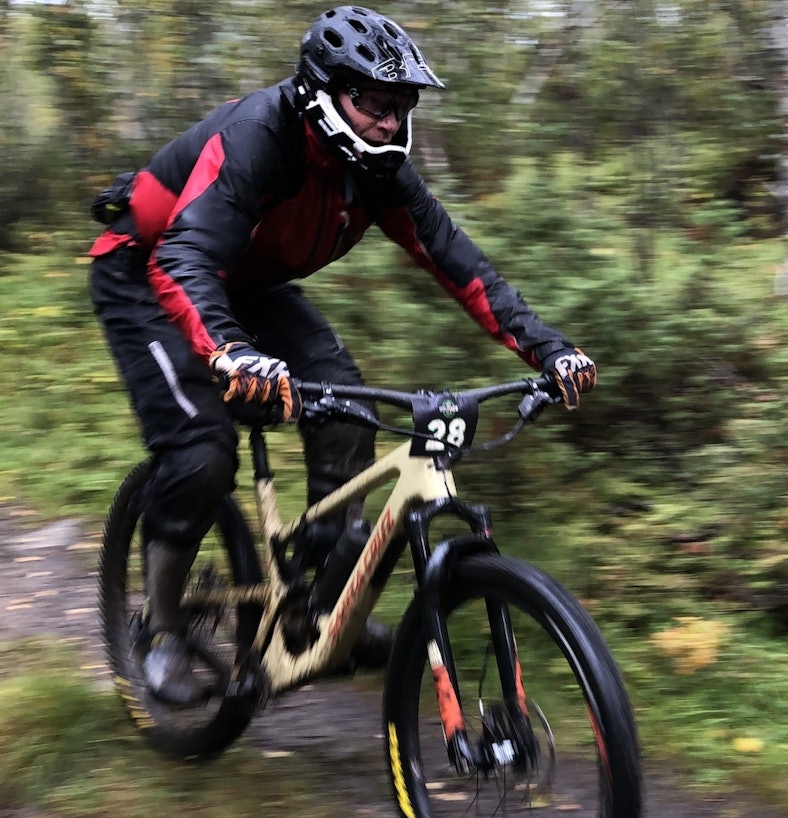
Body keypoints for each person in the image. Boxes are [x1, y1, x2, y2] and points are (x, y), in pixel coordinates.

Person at [88, 5, 597, 705]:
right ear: (323, 91)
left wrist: (549, 348)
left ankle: (324, 612)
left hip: (245, 282)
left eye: (399, 107)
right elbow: (183, 258)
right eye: (372, 104)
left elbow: (462, 265)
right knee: (202, 449)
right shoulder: (260, 137)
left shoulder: (380, 171)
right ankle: (165, 626)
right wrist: (233, 354)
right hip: (146, 270)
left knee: (347, 408)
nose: (389, 122)